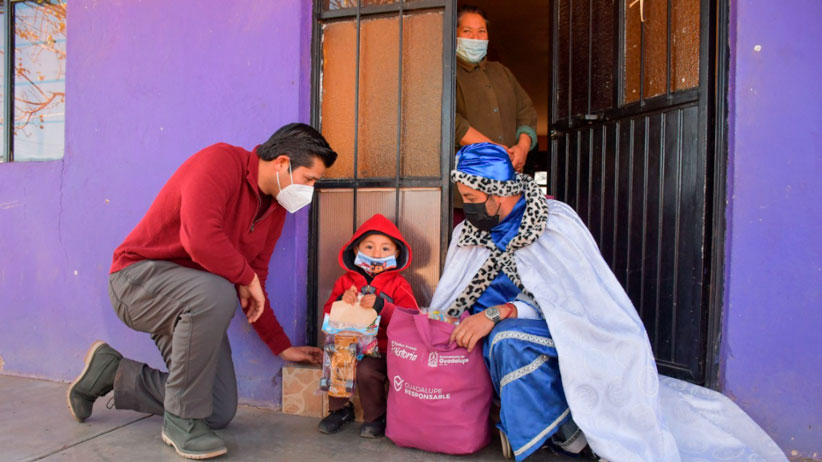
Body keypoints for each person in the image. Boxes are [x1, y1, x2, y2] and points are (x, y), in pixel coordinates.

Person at [429, 143, 787, 462]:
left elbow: (569, 301)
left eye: (471, 198)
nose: (466, 207)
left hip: (556, 331)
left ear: (497, 191)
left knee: (506, 339)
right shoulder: (468, 232)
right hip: (483, 329)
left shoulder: (554, 224)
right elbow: (453, 294)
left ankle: (568, 434)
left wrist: (499, 314)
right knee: (457, 339)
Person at [66, 123, 337, 460]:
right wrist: (245, 277)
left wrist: (281, 346)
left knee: (217, 409)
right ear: (282, 163)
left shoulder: (275, 209)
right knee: (219, 291)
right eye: (309, 179)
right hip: (136, 283)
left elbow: (255, 284)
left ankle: (111, 372)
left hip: (191, 304)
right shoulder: (220, 161)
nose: (310, 190)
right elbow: (200, 239)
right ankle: (179, 423)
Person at [318, 213, 418, 438]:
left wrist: (383, 306)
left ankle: (375, 417)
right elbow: (328, 315)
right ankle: (340, 410)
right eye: (369, 247)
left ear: (396, 253)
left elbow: (411, 320)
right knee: (337, 357)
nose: (376, 254)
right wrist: (341, 301)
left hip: (382, 350)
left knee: (366, 371)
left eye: (385, 249)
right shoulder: (345, 281)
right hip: (349, 343)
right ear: (356, 250)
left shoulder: (399, 284)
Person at [455, 5, 537, 173]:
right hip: (469, 177)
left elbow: (526, 111)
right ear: (454, 34)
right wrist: (496, 151)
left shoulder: (501, 71)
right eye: (467, 31)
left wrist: (522, 147)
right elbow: (451, 122)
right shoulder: (447, 73)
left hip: (508, 175)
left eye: (481, 31)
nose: (475, 38)